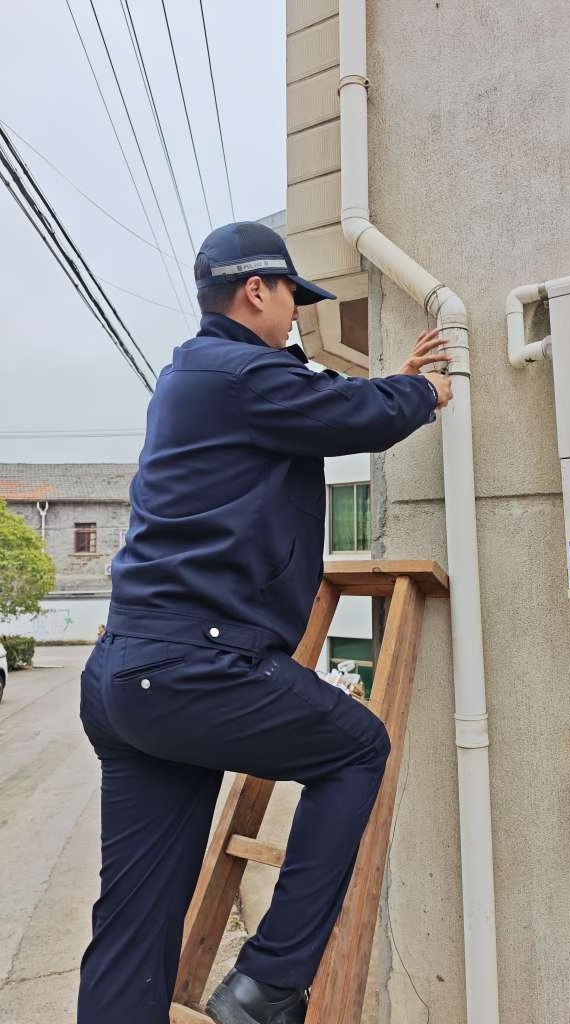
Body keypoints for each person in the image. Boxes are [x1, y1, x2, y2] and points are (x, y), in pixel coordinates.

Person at [77, 221, 452, 1024]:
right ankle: (267, 987)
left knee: (135, 923)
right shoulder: (242, 373)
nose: (297, 317)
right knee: (357, 747)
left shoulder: (199, 377)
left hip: (126, 678)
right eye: (292, 298)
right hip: (190, 670)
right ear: (256, 290)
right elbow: (355, 416)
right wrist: (424, 392)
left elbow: (323, 405)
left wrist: (383, 385)